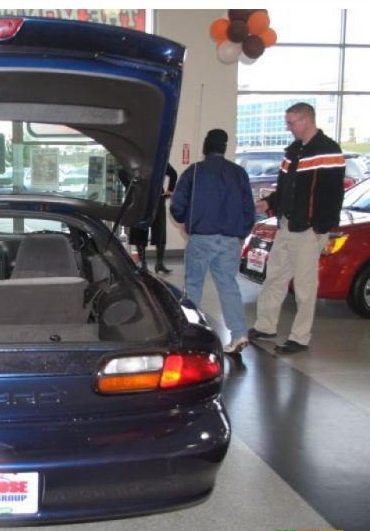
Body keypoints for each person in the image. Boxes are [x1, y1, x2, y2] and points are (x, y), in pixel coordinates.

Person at [249, 103, 345, 355]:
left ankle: (300, 338)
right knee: (274, 279)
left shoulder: (328, 151)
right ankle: (266, 326)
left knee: (304, 287)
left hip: (308, 230)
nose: (288, 127)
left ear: (306, 120)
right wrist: (269, 202)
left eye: (291, 123)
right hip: (286, 225)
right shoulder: (292, 152)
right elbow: (285, 188)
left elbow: (334, 194)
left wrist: (321, 227)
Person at [170, 128, 255, 354]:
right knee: (228, 286)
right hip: (230, 240)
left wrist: (186, 221)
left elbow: (177, 205)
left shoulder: (195, 171)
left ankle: (192, 334)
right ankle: (239, 334)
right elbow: (249, 209)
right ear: (224, 148)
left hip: (201, 237)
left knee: (194, 286)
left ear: (206, 147)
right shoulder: (239, 173)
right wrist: (241, 233)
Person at [118, 164, 177, 272]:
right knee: (157, 229)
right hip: (153, 197)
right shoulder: (158, 157)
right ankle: (155, 263)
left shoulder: (138, 159)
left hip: (143, 198)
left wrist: (132, 187)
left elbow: (121, 172)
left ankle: (148, 264)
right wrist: (169, 192)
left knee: (151, 230)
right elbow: (173, 174)